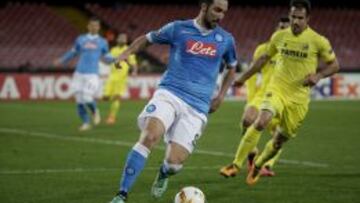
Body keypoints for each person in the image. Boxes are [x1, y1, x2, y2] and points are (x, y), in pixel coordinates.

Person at [109, 0, 238, 202]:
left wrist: (221, 95)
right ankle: (121, 194)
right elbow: (147, 38)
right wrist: (126, 53)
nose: (221, 15)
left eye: (224, 12)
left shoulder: (226, 39)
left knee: (174, 164)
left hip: (198, 107)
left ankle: (163, 173)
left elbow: (232, 67)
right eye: (217, 10)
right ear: (204, 6)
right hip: (170, 93)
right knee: (149, 136)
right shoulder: (178, 28)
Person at [229, 0, 339, 186]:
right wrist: (243, 79)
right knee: (257, 120)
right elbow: (262, 60)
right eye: (293, 17)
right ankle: (238, 162)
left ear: (307, 18)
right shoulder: (278, 38)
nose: (295, 21)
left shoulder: (318, 41)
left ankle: (260, 164)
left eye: (300, 18)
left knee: (279, 140)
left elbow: (334, 65)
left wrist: (319, 75)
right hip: (275, 91)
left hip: (298, 99)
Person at [220, 16, 290, 178]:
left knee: (278, 136)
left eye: (285, 28)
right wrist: (251, 99)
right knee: (247, 119)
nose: (282, 30)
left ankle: (266, 164)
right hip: (263, 95)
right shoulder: (263, 50)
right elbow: (253, 73)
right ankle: (250, 153)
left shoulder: (295, 54)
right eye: (280, 27)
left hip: (284, 98)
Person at [54, 17, 114, 131]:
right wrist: (61, 60)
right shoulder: (81, 39)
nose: (94, 27)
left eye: (96, 25)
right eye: (92, 25)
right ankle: (86, 123)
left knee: (87, 97)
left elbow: (107, 56)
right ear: (88, 26)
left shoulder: (102, 42)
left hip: (92, 74)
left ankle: (95, 110)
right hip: (79, 73)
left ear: (99, 27)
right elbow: (72, 53)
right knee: (79, 101)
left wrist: (115, 60)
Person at [103, 33, 139, 125]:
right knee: (105, 97)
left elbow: (133, 63)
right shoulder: (113, 49)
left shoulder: (128, 50)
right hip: (111, 77)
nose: (123, 40)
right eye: (121, 38)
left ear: (126, 40)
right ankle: (109, 113)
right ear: (117, 39)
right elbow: (107, 61)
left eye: (124, 38)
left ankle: (112, 117)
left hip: (121, 78)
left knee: (116, 97)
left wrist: (134, 71)